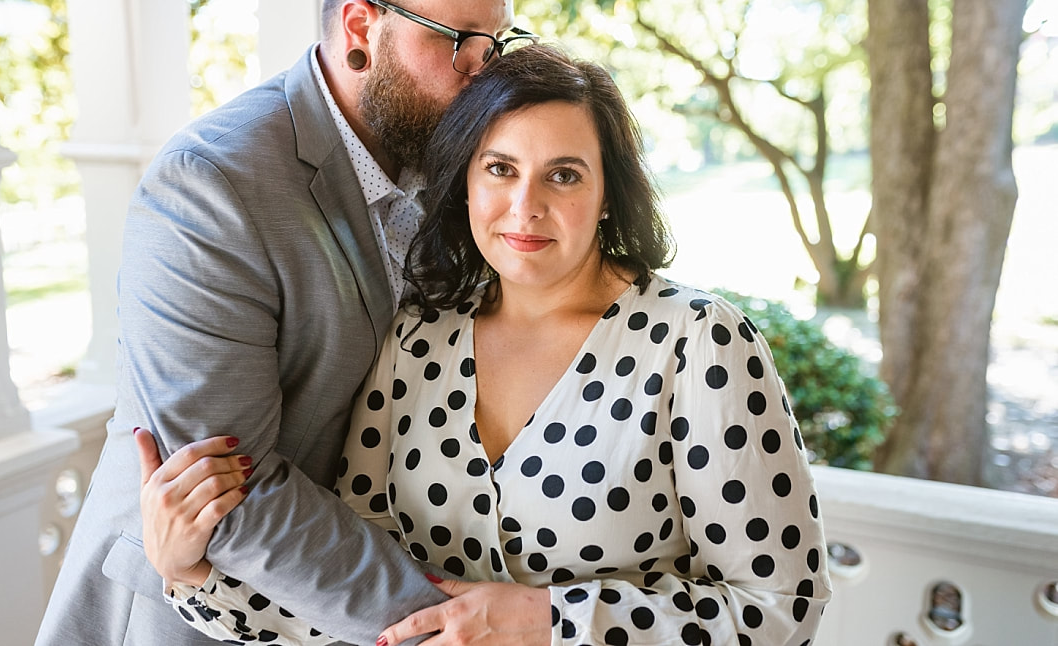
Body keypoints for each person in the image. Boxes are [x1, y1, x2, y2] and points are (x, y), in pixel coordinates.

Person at [137, 45, 833, 646]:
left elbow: (781, 610)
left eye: (564, 174)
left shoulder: (697, 344)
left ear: (609, 194)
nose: (525, 205)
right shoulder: (417, 337)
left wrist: (554, 621)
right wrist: (193, 575)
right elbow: (366, 618)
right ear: (465, 181)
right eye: (500, 168)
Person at [34, 0, 535, 644]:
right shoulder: (209, 187)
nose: (482, 76)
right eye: (459, 42)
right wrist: (455, 625)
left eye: (497, 46)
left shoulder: (456, 163)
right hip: (197, 614)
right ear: (361, 27)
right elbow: (234, 495)